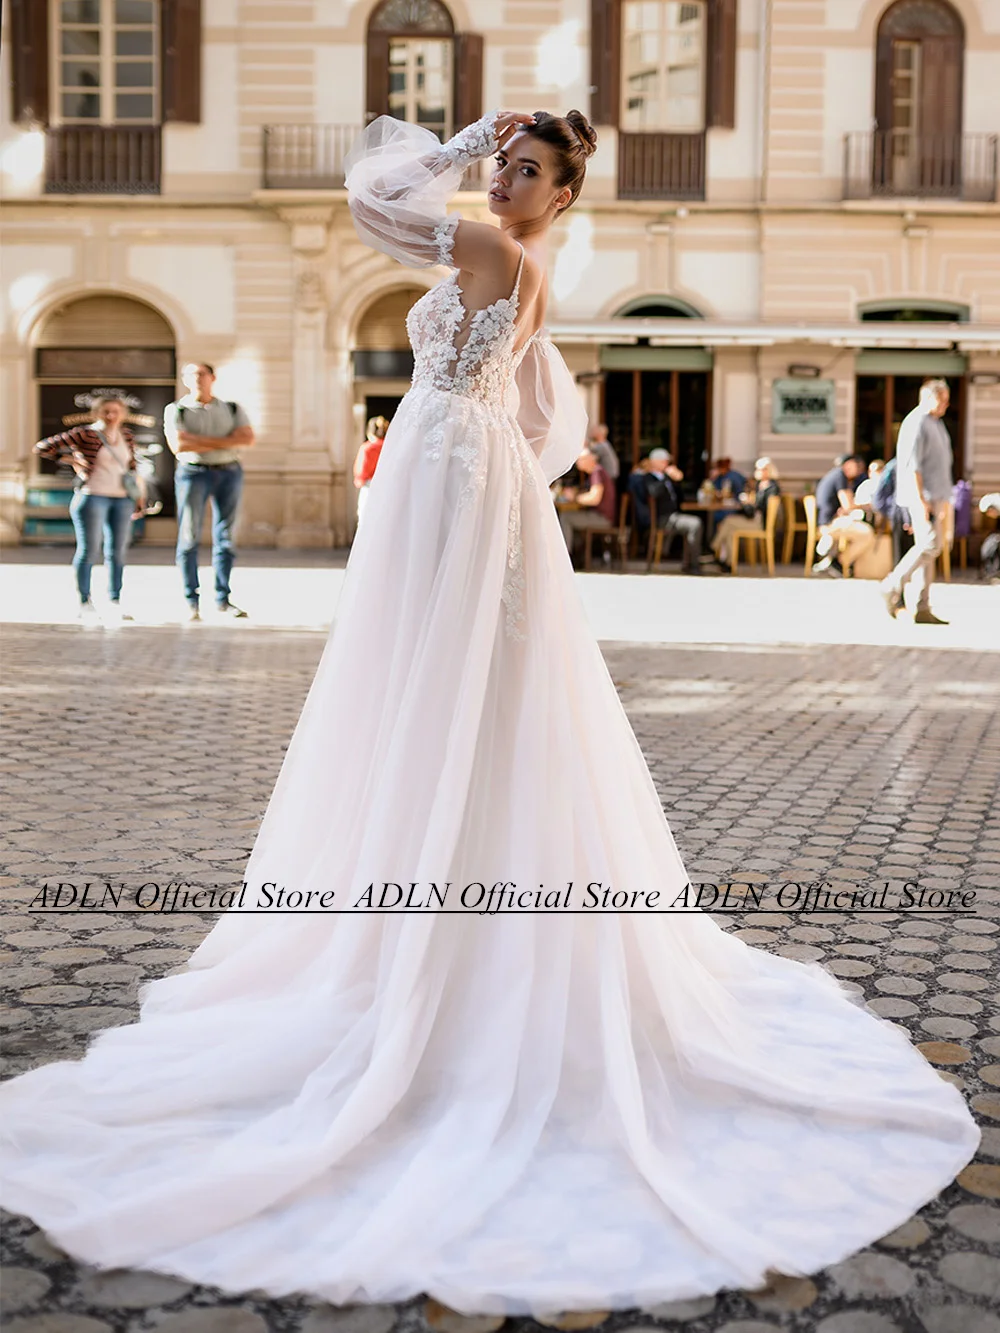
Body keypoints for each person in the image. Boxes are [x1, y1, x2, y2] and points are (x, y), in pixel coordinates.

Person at [0, 110, 978, 1317]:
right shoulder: (522, 268)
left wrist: (457, 148)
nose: (506, 179)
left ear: (561, 193)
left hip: (447, 470)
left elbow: (370, 203)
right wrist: (472, 428)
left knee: (440, 677)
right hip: (458, 467)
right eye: (505, 165)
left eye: (529, 169)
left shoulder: (490, 250)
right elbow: (542, 419)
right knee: (437, 678)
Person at [33, 396, 145, 622]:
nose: (111, 416)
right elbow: (42, 447)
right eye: (106, 411)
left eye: (115, 411)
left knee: (117, 552)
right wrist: (69, 459)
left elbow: (131, 467)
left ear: (122, 413)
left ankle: (115, 600)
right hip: (92, 496)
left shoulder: (127, 435)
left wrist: (140, 495)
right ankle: (85, 601)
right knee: (89, 550)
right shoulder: (85, 433)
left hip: (121, 498)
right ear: (97, 412)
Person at [164, 363, 255, 622]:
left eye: (201, 374)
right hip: (193, 473)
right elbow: (179, 444)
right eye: (190, 375)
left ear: (212, 378)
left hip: (229, 472)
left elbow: (247, 438)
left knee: (225, 536)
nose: (196, 380)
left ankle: (222, 599)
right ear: (183, 379)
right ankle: (191, 601)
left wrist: (198, 441)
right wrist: (227, 440)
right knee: (189, 536)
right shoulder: (177, 409)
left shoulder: (232, 408)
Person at [880, 379, 953, 624]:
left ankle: (923, 606)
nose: (946, 404)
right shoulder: (917, 422)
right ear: (929, 397)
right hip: (923, 498)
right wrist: (921, 500)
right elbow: (913, 466)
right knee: (930, 545)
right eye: (942, 399)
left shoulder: (935, 423)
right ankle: (892, 584)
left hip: (937, 497)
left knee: (930, 549)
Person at [641, 448, 703, 574]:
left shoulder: (666, 478)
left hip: (674, 515)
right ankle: (694, 565)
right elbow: (653, 492)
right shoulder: (648, 478)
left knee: (694, 523)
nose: (667, 464)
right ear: (655, 462)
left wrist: (677, 481)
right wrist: (666, 478)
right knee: (695, 523)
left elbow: (678, 498)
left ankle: (689, 563)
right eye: (664, 461)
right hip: (662, 518)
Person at [711, 456, 781, 567]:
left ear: (767, 470)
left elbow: (761, 507)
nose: (757, 472)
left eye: (759, 469)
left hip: (759, 522)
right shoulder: (760, 485)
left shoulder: (772, 488)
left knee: (728, 522)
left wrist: (749, 502)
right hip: (754, 518)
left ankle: (714, 549)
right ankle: (728, 562)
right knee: (730, 527)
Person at [557, 445, 616, 560]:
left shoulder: (597, 472)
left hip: (602, 518)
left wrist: (574, 498)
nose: (578, 462)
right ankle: (577, 557)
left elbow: (594, 498)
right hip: (598, 516)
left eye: (580, 459)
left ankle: (565, 558)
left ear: (591, 459)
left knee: (566, 517)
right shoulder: (595, 473)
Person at [354, 414, 389, 530]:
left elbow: (361, 470)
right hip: (388, 486)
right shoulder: (390, 447)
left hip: (370, 485)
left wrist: (359, 480)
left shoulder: (367, 447)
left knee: (365, 519)